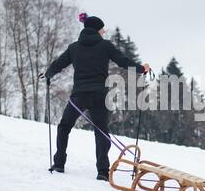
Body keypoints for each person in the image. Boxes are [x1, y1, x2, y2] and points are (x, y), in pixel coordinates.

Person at [39, 13, 150, 181]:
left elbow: (58, 64)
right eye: (102, 30)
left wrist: (48, 74)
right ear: (97, 30)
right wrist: (142, 69)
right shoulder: (105, 46)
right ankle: (103, 172)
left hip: (79, 96)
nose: (104, 33)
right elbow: (123, 61)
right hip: (99, 96)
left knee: (64, 127)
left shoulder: (74, 48)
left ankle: (59, 163)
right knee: (101, 131)